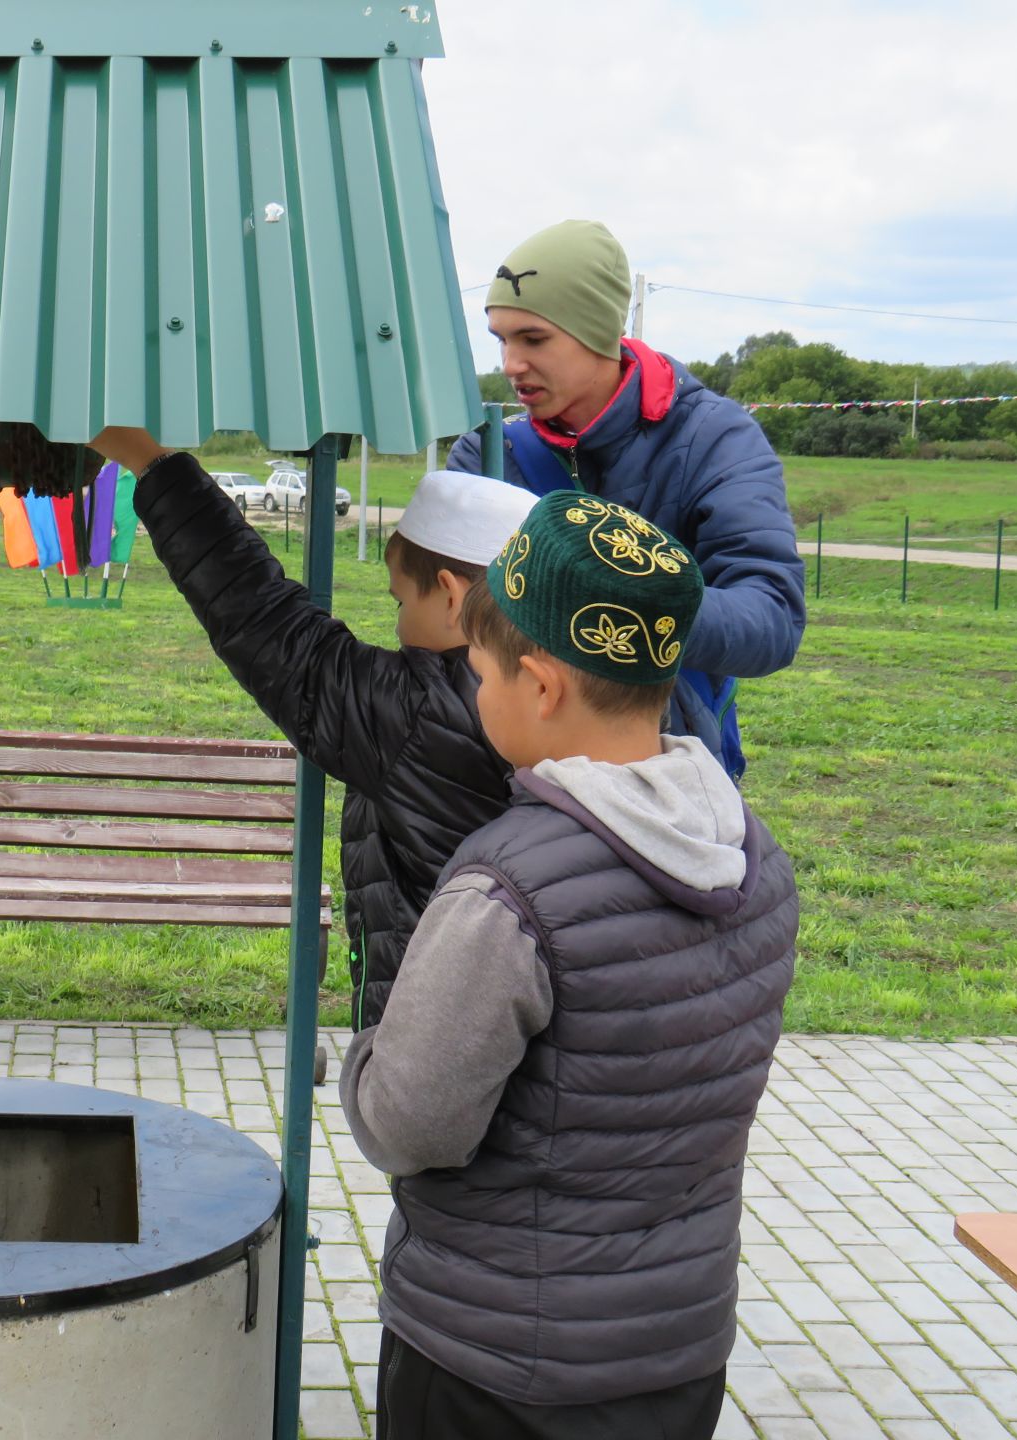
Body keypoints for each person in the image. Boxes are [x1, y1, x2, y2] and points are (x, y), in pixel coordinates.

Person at [342, 491, 798, 1440]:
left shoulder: (507, 890)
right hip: (673, 1356)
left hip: (496, 1369)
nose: (474, 690)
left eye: (478, 668)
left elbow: (407, 1124)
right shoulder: (754, 859)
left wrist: (365, 1055)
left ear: (541, 685)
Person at [88, 429, 536, 1031]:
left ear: (452, 598)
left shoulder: (422, 715)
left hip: (437, 1044)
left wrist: (151, 461)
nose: (398, 627)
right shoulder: (578, 697)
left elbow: (261, 617)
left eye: (401, 602)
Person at [447, 220, 804, 779]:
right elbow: (455, 626)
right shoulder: (488, 454)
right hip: (505, 779)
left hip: (663, 786)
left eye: (533, 339)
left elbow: (773, 617)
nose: (510, 365)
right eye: (502, 340)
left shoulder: (715, 440)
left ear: (597, 332)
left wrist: (622, 606)